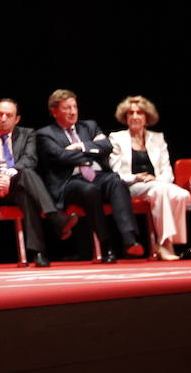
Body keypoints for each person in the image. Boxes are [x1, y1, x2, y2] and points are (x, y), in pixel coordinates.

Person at [36, 89, 143, 263]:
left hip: (97, 174)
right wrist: (93, 150)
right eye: (66, 108)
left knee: (116, 181)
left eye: (74, 107)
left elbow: (107, 146)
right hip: (70, 182)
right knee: (89, 190)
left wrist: (80, 147)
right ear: (54, 111)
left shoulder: (89, 126)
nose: (72, 112)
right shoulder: (45, 134)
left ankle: (129, 239)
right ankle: (106, 246)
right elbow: (61, 157)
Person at [0, 98, 76, 267]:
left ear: (17, 119)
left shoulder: (27, 134)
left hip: (19, 185)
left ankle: (38, 253)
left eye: (8, 115)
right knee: (26, 179)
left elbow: (30, 160)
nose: (3, 118)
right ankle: (55, 219)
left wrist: (8, 176)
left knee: (26, 185)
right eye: (0, 114)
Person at [109, 95, 190, 261]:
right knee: (161, 192)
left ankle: (172, 241)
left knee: (182, 195)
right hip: (131, 186)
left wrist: (157, 180)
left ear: (147, 117)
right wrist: (136, 178)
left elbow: (167, 170)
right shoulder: (117, 138)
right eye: (130, 113)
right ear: (125, 117)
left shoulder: (158, 138)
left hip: (156, 184)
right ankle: (164, 244)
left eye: (139, 113)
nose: (135, 116)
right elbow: (116, 173)